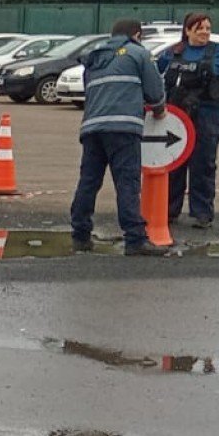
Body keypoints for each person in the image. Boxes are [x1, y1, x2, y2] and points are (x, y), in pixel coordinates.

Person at [71, 18, 171, 257]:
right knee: (127, 183)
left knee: (89, 182)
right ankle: (135, 239)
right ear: (136, 34)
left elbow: (90, 90)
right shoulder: (138, 53)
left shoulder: (94, 57)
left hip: (92, 127)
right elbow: (154, 89)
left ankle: (80, 234)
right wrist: (159, 109)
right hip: (124, 127)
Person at [153, 12, 219, 228]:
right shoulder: (173, 53)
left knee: (203, 163)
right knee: (174, 161)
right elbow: (154, 73)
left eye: (208, 28)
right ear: (188, 30)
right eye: (199, 28)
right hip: (177, 115)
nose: (205, 32)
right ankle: (170, 211)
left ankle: (202, 213)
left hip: (207, 113)